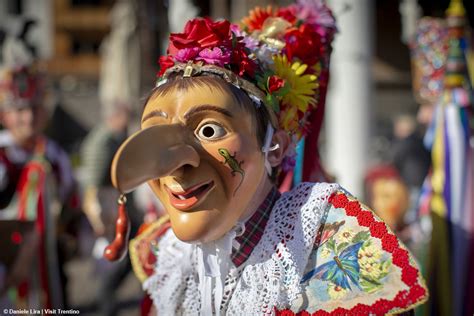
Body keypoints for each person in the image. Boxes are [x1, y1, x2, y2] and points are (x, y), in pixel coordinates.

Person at [106, 1, 428, 314]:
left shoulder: (325, 254)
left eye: (209, 131)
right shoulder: (168, 261)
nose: (176, 166)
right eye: (157, 135)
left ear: (274, 148)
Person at [0, 30, 75, 309]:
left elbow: (70, 203)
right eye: (19, 111)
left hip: (50, 266)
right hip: (7, 266)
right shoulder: (3, 154)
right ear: (4, 116)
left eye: (33, 108)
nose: (28, 118)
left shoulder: (54, 156)